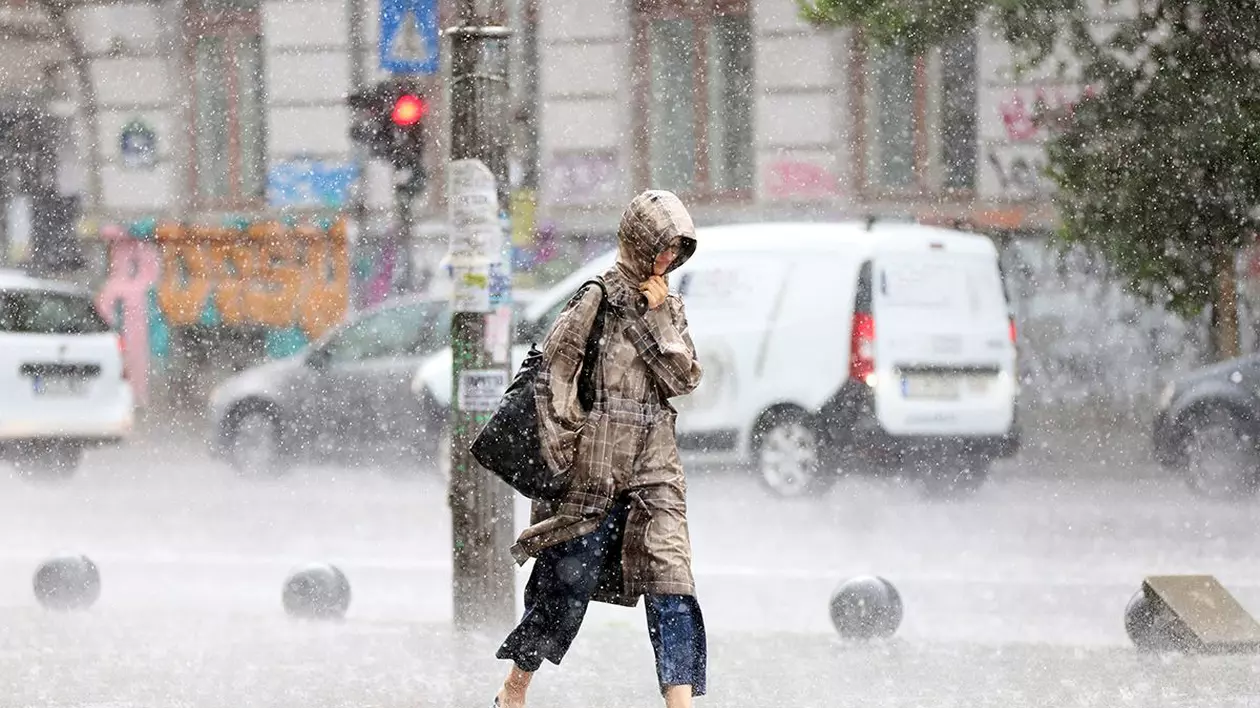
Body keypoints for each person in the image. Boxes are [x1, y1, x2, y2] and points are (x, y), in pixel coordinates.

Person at [493, 190, 706, 708]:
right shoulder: (596, 297)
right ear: (640, 242)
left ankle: (680, 703)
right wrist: (569, 448)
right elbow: (554, 377)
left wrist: (657, 318)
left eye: (676, 251)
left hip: (656, 467)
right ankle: (514, 688)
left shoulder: (669, 305)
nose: (667, 261)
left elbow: (685, 377)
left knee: (672, 584)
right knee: (564, 585)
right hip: (595, 470)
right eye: (662, 248)